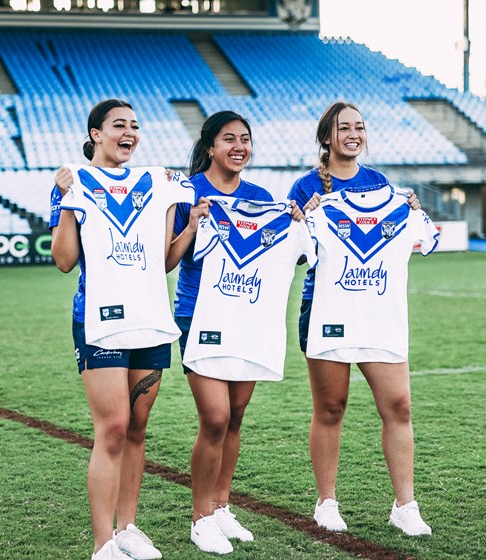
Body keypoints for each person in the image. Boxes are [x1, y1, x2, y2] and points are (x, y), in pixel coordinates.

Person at [50, 98, 195, 560]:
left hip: (151, 320)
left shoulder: (157, 182)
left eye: (135, 125)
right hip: (99, 321)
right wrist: (69, 199)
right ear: (96, 133)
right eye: (118, 125)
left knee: (137, 427)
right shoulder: (72, 181)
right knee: (112, 427)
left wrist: (190, 224)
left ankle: (129, 527)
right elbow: (63, 261)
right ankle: (103, 543)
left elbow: (165, 260)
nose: (129, 132)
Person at [288, 101, 433, 537]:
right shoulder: (305, 186)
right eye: (344, 127)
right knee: (331, 407)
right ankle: (326, 500)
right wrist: (301, 218)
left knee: (399, 406)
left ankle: (405, 504)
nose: (354, 133)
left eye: (360, 127)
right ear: (327, 137)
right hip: (327, 312)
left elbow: (413, 238)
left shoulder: (382, 185)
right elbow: (297, 252)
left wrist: (412, 209)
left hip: (378, 315)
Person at [165, 111, 306, 555]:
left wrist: (299, 221)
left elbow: (289, 257)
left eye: (245, 139)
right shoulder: (189, 193)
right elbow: (167, 260)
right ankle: (200, 517)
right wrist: (192, 223)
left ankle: (222, 507)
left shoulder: (261, 197)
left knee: (236, 417)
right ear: (210, 146)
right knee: (215, 418)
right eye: (229, 139)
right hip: (198, 317)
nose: (239, 147)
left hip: (248, 318)